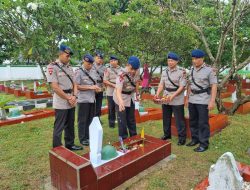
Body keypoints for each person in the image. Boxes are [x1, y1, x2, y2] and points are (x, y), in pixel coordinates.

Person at [46, 45, 82, 150]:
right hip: (61, 100)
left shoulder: (70, 67)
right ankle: (57, 147)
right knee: (59, 125)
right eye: (67, 56)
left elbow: (75, 83)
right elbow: (55, 87)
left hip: (71, 98)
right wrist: (68, 98)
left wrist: (74, 96)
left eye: (69, 56)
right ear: (60, 54)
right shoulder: (52, 67)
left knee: (70, 124)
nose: (69, 58)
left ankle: (70, 144)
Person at [185, 49, 217, 152]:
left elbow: (214, 86)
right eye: (193, 59)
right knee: (193, 121)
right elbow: (189, 85)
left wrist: (212, 101)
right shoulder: (191, 70)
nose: (194, 61)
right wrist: (187, 98)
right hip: (192, 98)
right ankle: (195, 139)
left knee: (203, 123)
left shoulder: (209, 70)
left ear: (202, 59)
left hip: (203, 99)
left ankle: (204, 144)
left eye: (197, 59)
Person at [155, 52, 187, 145]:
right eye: (168, 60)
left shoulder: (181, 71)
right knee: (166, 117)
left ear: (176, 61)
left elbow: (182, 87)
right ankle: (167, 134)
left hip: (177, 97)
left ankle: (182, 138)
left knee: (179, 119)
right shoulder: (165, 71)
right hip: (166, 96)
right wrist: (157, 93)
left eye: (172, 61)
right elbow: (161, 84)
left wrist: (173, 96)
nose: (170, 62)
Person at [75, 54, 101, 146]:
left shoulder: (93, 71)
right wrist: (91, 87)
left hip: (92, 99)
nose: (89, 65)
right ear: (84, 61)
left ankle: (89, 135)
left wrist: (97, 88)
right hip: (83, 100)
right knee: (82, 120)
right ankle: (82, 138)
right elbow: (77, 86)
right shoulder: (79, 72)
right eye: (88, 63)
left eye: (91, 64)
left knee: (90, 119)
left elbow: (95, 83)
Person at [113, 56, 140, 139]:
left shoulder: (137, 70)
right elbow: (118, 90)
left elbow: (136, 82)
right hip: (121, 97)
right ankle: (124, 139)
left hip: (130, 97)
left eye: (135, 69)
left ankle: (134, 137)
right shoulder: (121, 74)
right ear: (128, 65)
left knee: (131, 119)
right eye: (132, 69)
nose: (133, 71)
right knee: (122, 120)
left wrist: (137, 93)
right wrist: (121, 102)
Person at [103, 55, 122, 128]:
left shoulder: (121, 69)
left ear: (117, 61)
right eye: (111, 61)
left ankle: (120, 121)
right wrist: (114, 85)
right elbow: (105, 80)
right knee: (111, 108)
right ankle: (111, 123)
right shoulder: (107, 70)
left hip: (119, 91)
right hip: (110, 91)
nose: (112, 62)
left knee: (119, 106)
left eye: (114, 60)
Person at [92, 52, 106, 121]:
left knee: (99, 104)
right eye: (98, 58)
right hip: (92, 87)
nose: (99, 59)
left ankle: (97, 119)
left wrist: (103, 87)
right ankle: (91, 118)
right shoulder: (91, 65)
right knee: (92, 104)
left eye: (101, 58)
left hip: (100, 87)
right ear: (94, 58)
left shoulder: (104, 68)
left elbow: (104, 78)